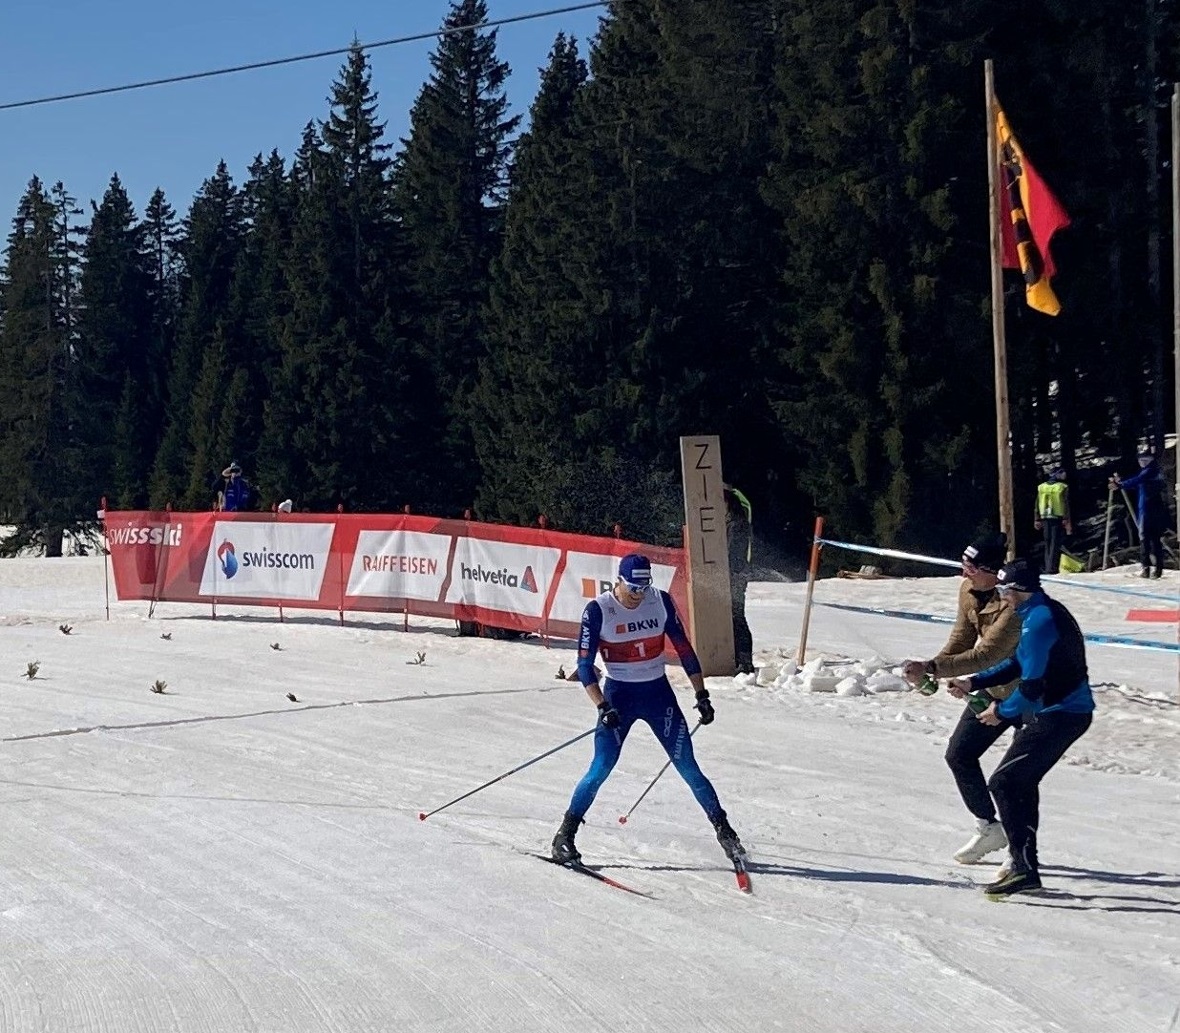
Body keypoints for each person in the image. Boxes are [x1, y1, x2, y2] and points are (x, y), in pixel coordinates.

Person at [551, 553, 746, 865]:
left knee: (688, 765)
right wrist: (602, 706)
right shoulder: (599, 610)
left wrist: (702, 694)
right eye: (633, 589)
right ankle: (564, 836)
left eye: (644, 588)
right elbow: (585, 667)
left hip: (658, 695)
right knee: (601, 766)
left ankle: (725, 832)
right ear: (620, 581)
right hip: (619, 697)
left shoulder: (661, 601)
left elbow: (684, 650)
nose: (639, 595)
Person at [947, 557, 1094, 898]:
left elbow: (1031, 687)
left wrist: (1001, 711)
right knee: (1017, 783)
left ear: (1020, 590)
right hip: (1051, 711)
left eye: (1005, 590)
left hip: (1062, 714)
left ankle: (1023, 867)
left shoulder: (1041, 620)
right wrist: (975, 682)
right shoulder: (1033, 613)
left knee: (1006, 781)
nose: (1001, 596)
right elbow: (1017, 663)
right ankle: (1023, 865)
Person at [901, 532, 1021, 865]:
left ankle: (1022, 852)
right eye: (963, 564)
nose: (963, 572)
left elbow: (987, 653)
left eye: (970, 567)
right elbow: (962, 639)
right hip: (990, 687)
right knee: (959, 754)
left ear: (993, 572)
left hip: (1028, 694)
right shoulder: (969, 590)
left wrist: (935, 667)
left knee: (1014, 779)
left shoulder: (1012, 604)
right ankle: (988, 826)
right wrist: (932, 670)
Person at [1111, 449, 1168, 578]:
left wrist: (1120, 485)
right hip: (1151, 509)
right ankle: (1154, 568)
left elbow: (1138, 480)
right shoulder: (1152, 471)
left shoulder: (1149, 471)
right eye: (1140, 460)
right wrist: (1122, 483)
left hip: (1148, 510)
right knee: (1153, 540)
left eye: (1143, 460)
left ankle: (1147, 568)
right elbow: (1137, 484)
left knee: (1146, 539)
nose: (1141, 462)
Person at [725, 485, 755, 674]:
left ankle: (745, 660)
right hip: (732, 575)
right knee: (731, 617)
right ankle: (738, 657)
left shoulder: (737, 524)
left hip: (735, 575)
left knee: (737, 617)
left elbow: (734, 554)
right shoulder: (729, 523)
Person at [1034, 467, 1071, 575]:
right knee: (1055, 543)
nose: (1064, 475)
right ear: (1057, 474)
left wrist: (1036, 518)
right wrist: (1066, 519)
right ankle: (1051, 567)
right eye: (1063, 472)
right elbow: (1065, 504)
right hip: (1057, 517)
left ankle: (1047, 566)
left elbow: (1036, 504)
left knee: (1048, 543)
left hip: (1045, 517)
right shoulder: (1062, 487)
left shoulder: (1041, 487)